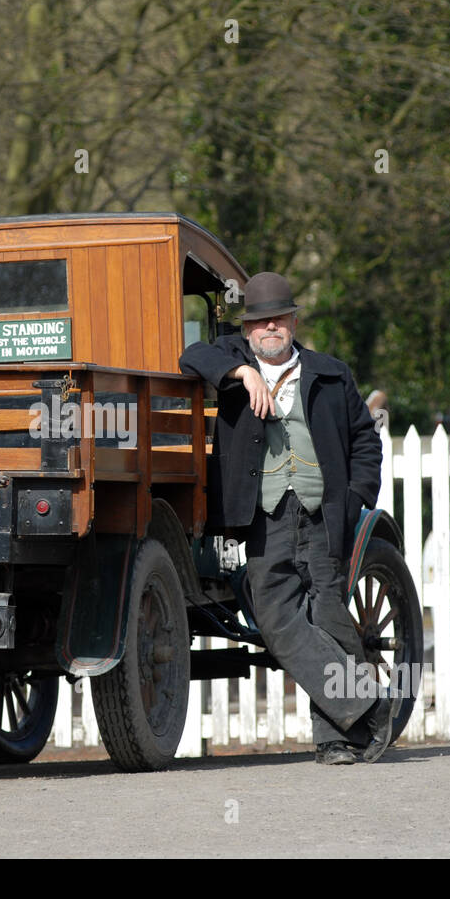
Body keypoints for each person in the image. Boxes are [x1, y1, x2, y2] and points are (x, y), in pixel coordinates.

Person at [179, 271, 400, 764]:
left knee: (330, 617)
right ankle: (367, 707)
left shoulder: (330, 373)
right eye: (259, 321)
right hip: (266, 514)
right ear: (247, 329)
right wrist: (243, 374)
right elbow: (191, 355)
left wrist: (357, 493)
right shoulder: (232, 365)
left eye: (279, 318)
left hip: (325, 511)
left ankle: (334, 740)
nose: (270, 328)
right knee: (277, 619)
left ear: (294, 321)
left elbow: (365, 439)